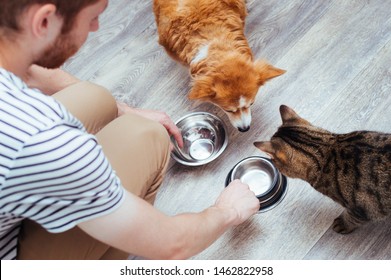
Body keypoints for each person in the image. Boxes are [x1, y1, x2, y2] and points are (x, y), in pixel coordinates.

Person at [0, 0, 259, 260]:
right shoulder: (45, 141)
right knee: (150, 136)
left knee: (97, 97)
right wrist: (228, 211)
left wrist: (123, 109)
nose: (97, 26)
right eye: (93, 17)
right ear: (43, 21)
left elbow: (31, 72)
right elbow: (173, 244)